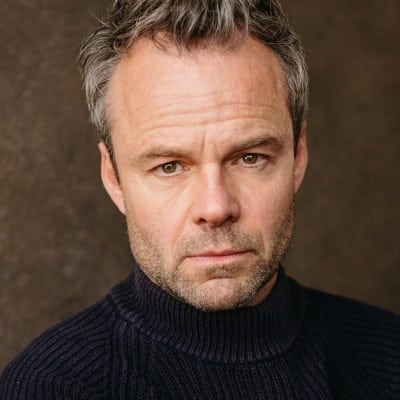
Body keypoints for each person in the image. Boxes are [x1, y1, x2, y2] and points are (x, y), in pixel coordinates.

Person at [1, 0, 399, 398]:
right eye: (169, 166)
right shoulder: (48, 389)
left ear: (298, 155)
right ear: (113, 177)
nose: (216, 207)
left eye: (250, 158)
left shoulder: (389, 358)